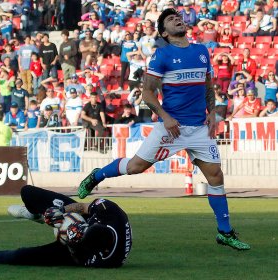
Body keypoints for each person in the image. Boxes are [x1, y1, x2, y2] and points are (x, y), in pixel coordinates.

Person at [77, 8, 250, 251]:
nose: (177, 19)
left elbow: (208, 86)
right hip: (171, 128)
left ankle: (225, 232)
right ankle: (97, 175)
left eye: (177, 17)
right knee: (136, 167)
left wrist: (212, 113)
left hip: (199, 128)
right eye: (170, 19)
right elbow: (147, 92)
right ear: (163, 33)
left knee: (216, 176)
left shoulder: (201, 51)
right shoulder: (162, 55)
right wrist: (166, 117)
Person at [0, 185, 132, 267]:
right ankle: (35, 215)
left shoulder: (106, 260)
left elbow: (77, 257)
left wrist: (67, 238)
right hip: (82, 220)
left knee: (20, 256)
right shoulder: (109, 211)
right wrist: (62, 212)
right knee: (28, 193)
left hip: (74, 251)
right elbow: (83, 207)